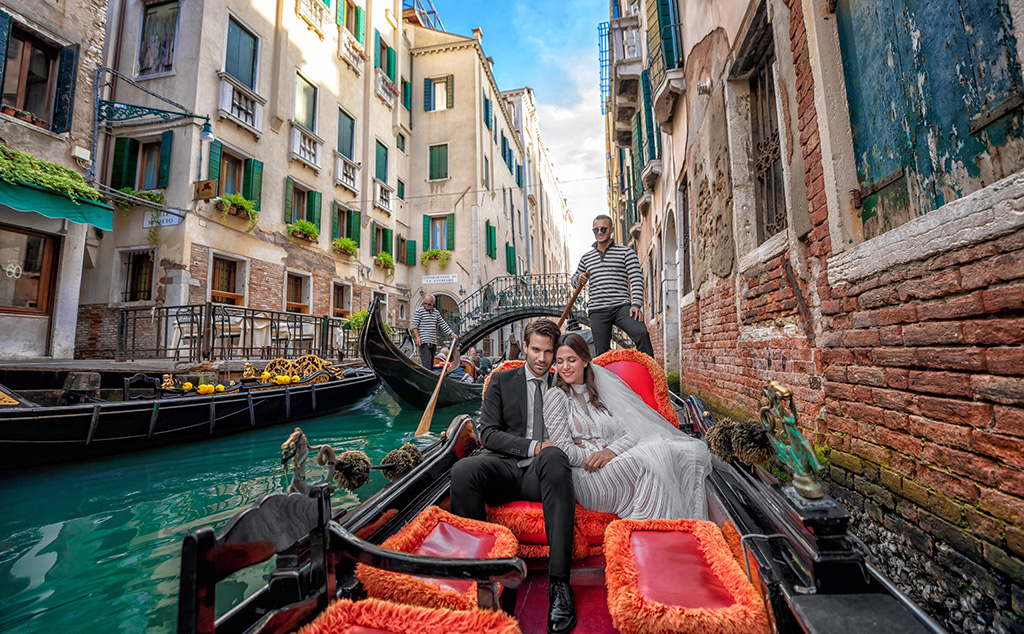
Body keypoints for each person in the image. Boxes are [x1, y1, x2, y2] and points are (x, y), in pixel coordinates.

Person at [450, 319, 577, 634]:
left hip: (543, 474)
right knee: (463, 469)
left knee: (554, 456)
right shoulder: (500, 382)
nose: (542, 358)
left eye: (549, 352)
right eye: (536, 349)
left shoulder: (564, 385)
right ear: (524, 347)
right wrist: (534, 446)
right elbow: (488, 435)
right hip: (504, 468)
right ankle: (480, 575)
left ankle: (559, 586)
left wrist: (549, 449)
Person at [544, 332, 710, 521]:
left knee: (690, 453)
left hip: (616, 462)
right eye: (559, 361)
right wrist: (597, 457)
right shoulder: (555, 397)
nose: (565, 367)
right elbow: (563, 450)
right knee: (655, 452)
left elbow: (632, 433)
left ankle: (689, 526)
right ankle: (648, 529)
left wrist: (610, 452)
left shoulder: (600, 392)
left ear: (585, 361)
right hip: (586, 476)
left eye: (571, 360)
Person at [571, 215, 654, 357]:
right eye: (595, 230)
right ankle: (602, 379)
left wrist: (636, 304)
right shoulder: (586, 258)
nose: (599, 232)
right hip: (597, 309)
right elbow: (574, 280)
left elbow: (636, 279)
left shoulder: (626, 252)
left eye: (603, 229)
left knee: (641, 333)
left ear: (612, 229)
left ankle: (651, 374)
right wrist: (579, 278)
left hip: (622, 307)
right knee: (601, 352)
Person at [411, 295, 455, 368]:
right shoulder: (419, 311)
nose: (427, 305)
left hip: (433, 342)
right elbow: (414, 326)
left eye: (429, 304)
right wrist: (417, 338)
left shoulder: (436, 313)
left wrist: (451, 333)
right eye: (425, 303)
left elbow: (443, 323)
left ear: (433, 303)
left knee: (431, 364)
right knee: (427, 364)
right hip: (423, 342)